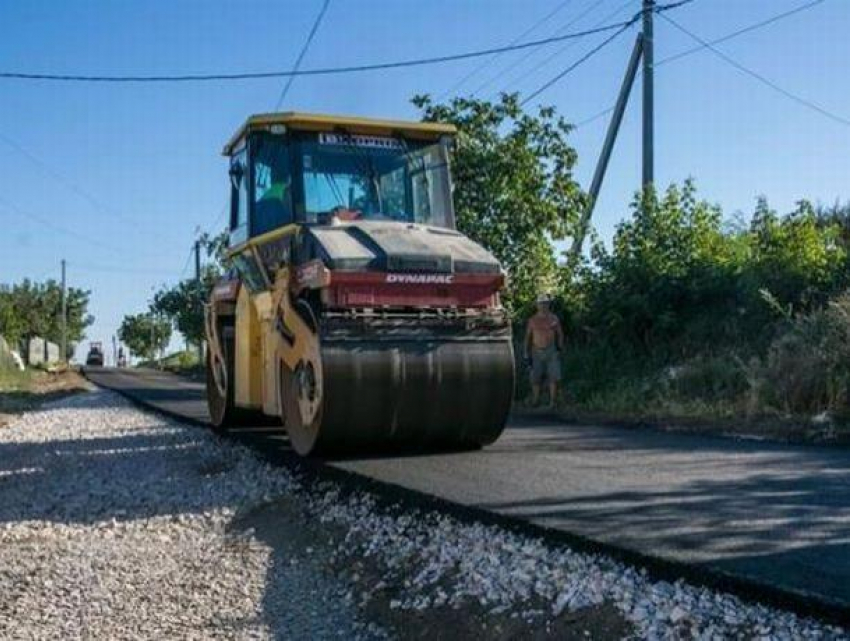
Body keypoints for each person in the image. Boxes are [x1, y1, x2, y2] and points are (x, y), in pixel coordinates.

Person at [525, 294, 564, 408]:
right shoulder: (532, 320)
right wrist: (526, 352)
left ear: (548, 305)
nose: (543, 306)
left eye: (545, 303)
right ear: (537, 305)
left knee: (553, 376)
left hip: (551, 350)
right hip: (536, 350)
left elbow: (560, 334)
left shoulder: (554, 318)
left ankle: (552, 401)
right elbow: (528, 337)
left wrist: (559, 348)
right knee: (535, 377)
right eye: (541, 303)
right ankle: (535, 400)